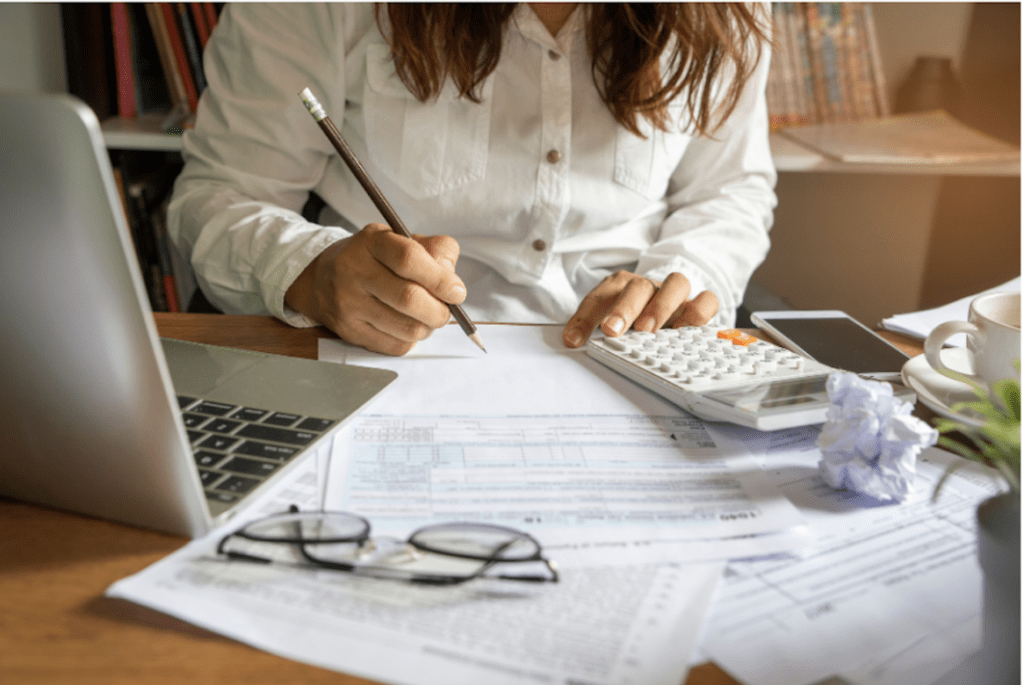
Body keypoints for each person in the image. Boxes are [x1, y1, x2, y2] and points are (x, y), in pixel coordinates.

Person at [168, 3, 776, 356]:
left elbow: (728, 192)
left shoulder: (724, 10)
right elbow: (221, 194)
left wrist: (680, 281)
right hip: (381, 358)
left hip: (633, 360)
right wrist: (310, 271)